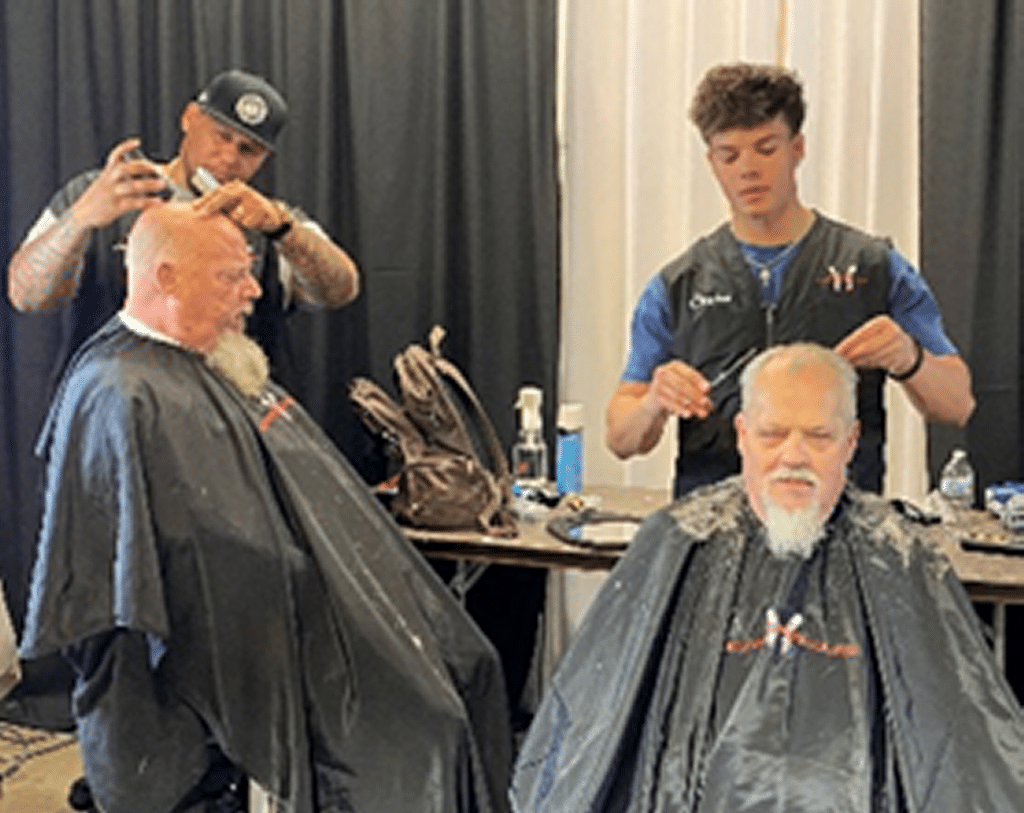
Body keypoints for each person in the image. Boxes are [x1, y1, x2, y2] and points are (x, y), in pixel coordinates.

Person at [18, 203, 511, 813]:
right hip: (222, 656)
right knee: (427, 718)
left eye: (250, 271)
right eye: (231, 276)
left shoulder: (213, 363)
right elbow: (140, 582)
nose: (253, 291)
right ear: (166, 278)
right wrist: (307, 581)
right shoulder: (120, 392)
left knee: (470, 665)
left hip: (286, 618)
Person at [513, 343, 1024, 812]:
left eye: (819, 437)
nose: (793, 456)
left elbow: (964, 754)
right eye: (773, 434)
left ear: (850, 443)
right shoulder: (678, 540)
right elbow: (586, 734)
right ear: (742, 437)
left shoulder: (902, 555)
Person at [606, 62, 974, 498]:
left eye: (766, 148)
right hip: (713, 531)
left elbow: (957, 404)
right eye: (730, 155)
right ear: (712, 162)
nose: (748, 169)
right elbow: (621, 438)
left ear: (797, 148)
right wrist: (654, 403)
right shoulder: (677, 285)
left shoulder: (875, 267)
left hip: (842, 530)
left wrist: (909, 356)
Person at [6, 68, 359, 382]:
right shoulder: (104, 191)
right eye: (221, 135)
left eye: (249, 150)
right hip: (115, 408)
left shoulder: (266, 218)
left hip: (225, 420)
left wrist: (284, 231)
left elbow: (341, 290)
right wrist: (79, 220)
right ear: (191, 118)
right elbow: (26, 297)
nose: (229, 158)